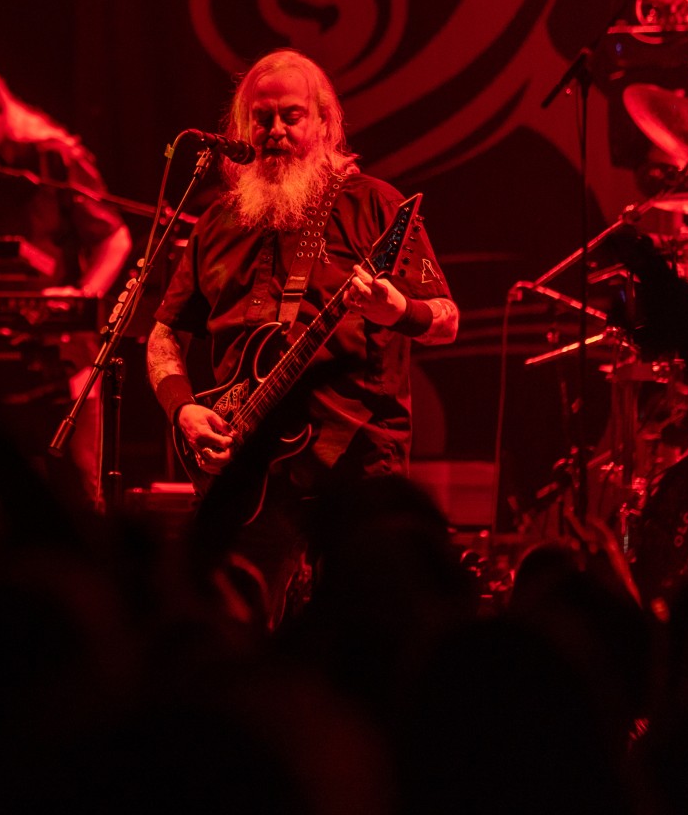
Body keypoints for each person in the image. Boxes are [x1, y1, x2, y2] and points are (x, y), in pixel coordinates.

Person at [146, 49, 458, 621]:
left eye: (291, 116)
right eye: (261, 119)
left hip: (355, 464)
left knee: (360, 634)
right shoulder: (217, 221)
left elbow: (446, 319)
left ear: (325, 123)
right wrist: (183, 409)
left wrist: (399, 310)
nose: (275, 131)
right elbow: (164, 335)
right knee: (235, 633)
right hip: (245, 469)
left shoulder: (377, 205)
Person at [0, 61, 133, 511]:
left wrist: (82, 295)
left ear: (0, 110)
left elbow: (114, 236)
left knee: (75, 487)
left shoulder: (51, 159)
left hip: (58, 351)